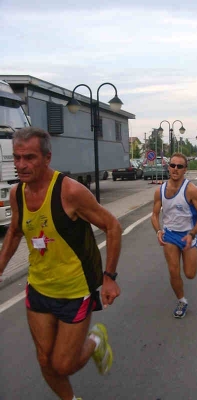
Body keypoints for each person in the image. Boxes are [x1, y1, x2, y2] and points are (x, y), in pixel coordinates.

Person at [0, 127, 122, 400]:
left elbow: (112, 226)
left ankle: (96, 340)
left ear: (47, 157)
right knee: (45, 360)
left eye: (29, 157)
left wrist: (109, 276)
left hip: (75, 291)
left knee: (63, 364)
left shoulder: (70, 192)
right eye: (17, 158)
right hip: (39, 289)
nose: (21, 165)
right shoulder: (16, 193)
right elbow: (16, 232)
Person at [151, 152, 197, 319]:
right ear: (168, 167)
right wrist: (158, 231)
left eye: (179, 166)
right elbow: (154, 215)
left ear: (185, 169)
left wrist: (192, 233)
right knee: (173, 271)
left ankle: (192, 251)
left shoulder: (191, 190)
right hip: (170, 235)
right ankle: (182, 300)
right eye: (172, 165)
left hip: (188, 234)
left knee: (190, 273)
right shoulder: (160, 190)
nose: (175, 169)